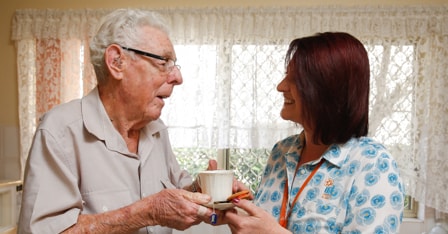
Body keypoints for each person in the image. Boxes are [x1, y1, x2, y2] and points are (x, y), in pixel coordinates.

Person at [18, 8, 246, 234]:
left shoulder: (157, 131)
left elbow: (176, 193)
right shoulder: (59, 132)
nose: (178, 77)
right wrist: (147, 212)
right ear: (117, 61)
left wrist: (205, 190)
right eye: (164, 61)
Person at [222, 32, 405, 233]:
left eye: (293, 79)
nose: (280, 87)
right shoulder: (281, 151)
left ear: (327, 88)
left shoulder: (373, 163)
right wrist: (245, 213)